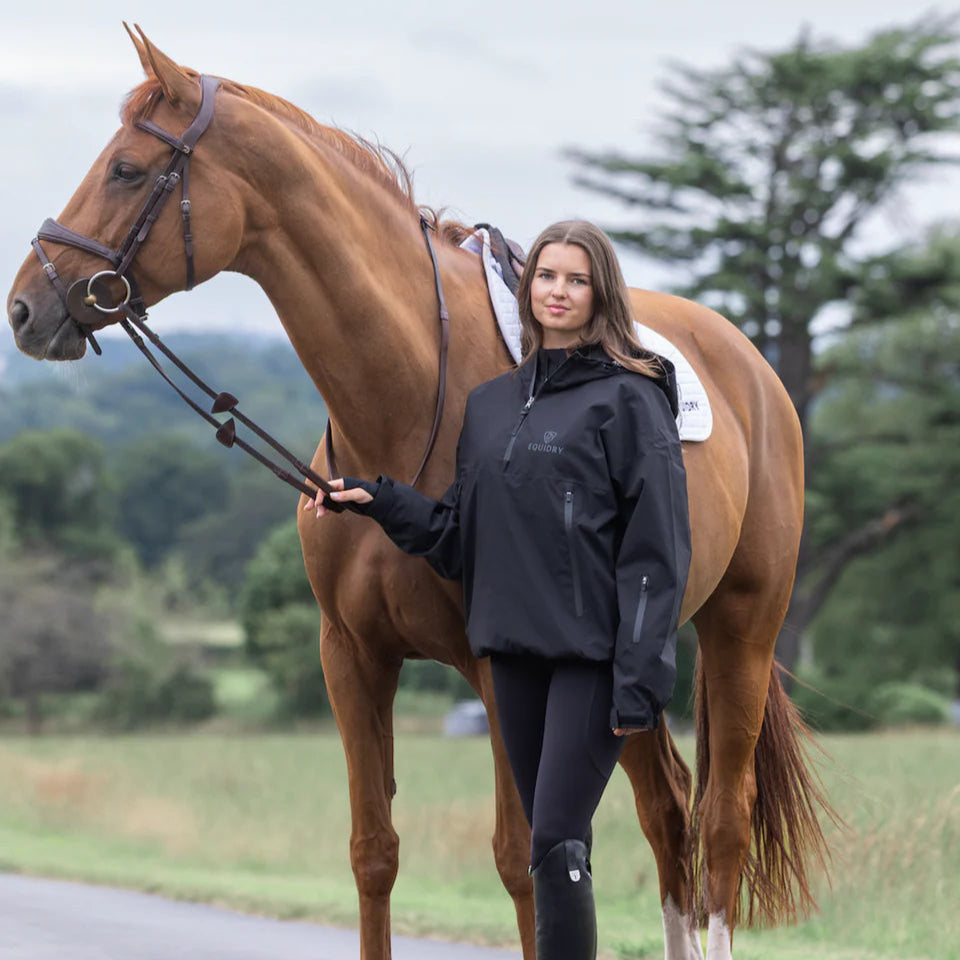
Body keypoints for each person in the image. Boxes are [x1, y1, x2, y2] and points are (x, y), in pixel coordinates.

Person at [306, 220, 691, 960]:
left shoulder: (631, 401)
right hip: (510, 657)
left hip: (591, 659)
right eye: (547, 276)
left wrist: (640, 680)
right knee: (548, 843)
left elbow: (657, 550)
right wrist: (377, 499)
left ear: (599, 293)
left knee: (553, 839)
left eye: (577, 280)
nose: (559, 291)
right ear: (528, 286)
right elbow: (459, 538)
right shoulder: (490, 405)